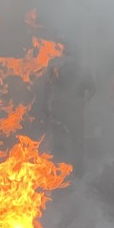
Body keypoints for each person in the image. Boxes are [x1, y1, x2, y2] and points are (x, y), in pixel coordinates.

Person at [44, 43, 96, 177]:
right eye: (69, 54)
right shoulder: (57, 69)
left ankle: (73, 171)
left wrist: (84, 101)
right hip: (63, 109)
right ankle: (62, 172)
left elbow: (93, 88)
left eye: (73, 55)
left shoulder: (80, 70)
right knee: (65, 140)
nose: (71, 58)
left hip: (71, 109)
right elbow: (49, 88)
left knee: (74, 141)